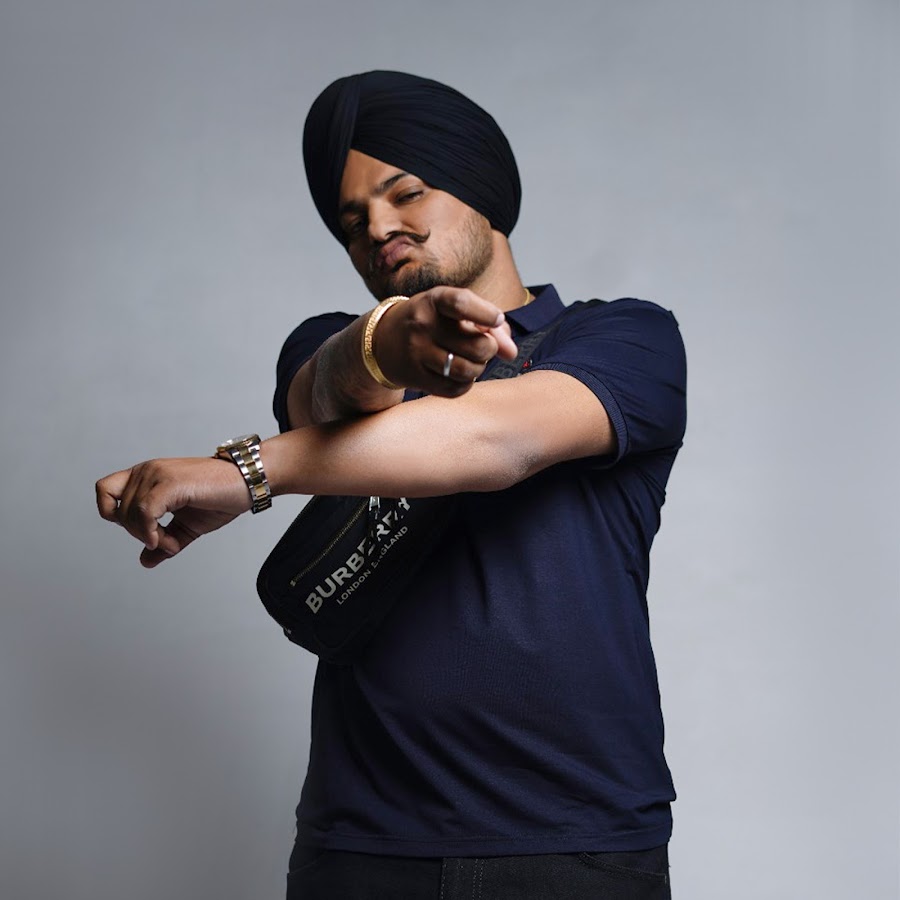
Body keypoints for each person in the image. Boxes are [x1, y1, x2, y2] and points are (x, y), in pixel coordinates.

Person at [96, 70, 686, 899]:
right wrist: (385, 341)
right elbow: (325, 398)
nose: (377, 228)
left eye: (405, 193)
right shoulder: (323, 343)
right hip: (359, 848)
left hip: (578, 847)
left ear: (479, 190)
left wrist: (249, 471)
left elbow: (493, 440)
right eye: (352, 223)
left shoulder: (625, 337)